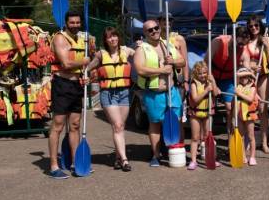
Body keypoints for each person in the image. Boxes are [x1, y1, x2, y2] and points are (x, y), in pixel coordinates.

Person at [133, 19, 185, 167]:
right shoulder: (141, 49)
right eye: (150, 30)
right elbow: (140, 69)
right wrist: (162, 70)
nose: (154, 31)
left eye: (156, 28)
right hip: (154, 93)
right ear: (145, 33)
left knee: (177, 121)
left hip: (172, 91)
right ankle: (156, 155)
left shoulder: (167, 44)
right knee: (155, 124)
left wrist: (173, 61)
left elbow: (182, 62)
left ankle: (176, 151)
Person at [47, 10, 90, 179]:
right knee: (58, 125)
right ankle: (53, 166)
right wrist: (84, 61)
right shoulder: (59, 38)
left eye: (77, 22)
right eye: (72, 22)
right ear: (66, 23)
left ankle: (74, 162)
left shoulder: (81, 39)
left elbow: (84, 66)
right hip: (62, 85)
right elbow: (65, 63)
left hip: (76, 85)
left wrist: (86, 76)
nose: (75, 25)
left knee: (75, 125)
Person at [87, 27, 135, 172]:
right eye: (109, 37)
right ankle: (125, 160)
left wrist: (141, 45)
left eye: (115, 36)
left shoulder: (126, 51)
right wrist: (85, 75)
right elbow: (87, 67)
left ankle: (117, 158)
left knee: (119, 127)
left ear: (118, 37)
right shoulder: (101, 54)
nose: (113, 39)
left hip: (124, 92)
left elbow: (141, 55)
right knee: (118, 125)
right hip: (108, 93)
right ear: (106, 40)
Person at [205, 25, 250, 134]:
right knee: (208, 108)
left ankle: (231, 137)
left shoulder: (243, 50)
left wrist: (248, 86)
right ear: (233, 37)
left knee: (230, 109)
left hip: (228, 79)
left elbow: (246, 70)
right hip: (211, 75)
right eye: (239, 44)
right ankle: (206, 136)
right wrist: (214, 85)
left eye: (244, 44)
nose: (241, 46)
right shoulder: (218, 42)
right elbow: (206, 63)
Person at [245, 15, 269, 153]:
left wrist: (267, 45)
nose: (254, 28)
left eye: (256, 25)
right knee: (247, 109)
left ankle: (264, 142)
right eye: (251, 26)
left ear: (260, 26)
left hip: (263, 77)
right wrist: (251, 67)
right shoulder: (247, 41)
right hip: (248, 78)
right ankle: (248, 141)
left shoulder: (268, 39)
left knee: (263, 110)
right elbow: (242, 60)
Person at [159, 13, 189, 140]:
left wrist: (186, 81)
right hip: (161, 83)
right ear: (159, 22)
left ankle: (179, 144)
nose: (167, 22)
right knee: (161, 116)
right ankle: (163, 145)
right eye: (164, 19)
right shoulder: (154, 38)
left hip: (178, 83)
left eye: (170, 20)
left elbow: (185, 62)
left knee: (178, 116)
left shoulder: (179, 39)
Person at [187, 61, 221, 170]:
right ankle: (193, 161)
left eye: (204, 73)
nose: (203, 75)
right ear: (196, 74)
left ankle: (211, 159)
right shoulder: (193, 84)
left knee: (208, 137)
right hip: (195, 113)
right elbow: (195, 99)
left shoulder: (209, 81)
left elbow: (216, 94)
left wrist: (213, 82)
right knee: (195, 137)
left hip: (207, 113)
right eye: (200, 73)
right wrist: (206, 90)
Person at [234, 67, 259, 166]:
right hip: (240, 115)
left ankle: (252, 157)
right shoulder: (238, 86)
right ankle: (243, 155)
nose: (243, 79)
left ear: (249, 77)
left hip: (249, 115)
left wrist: (239, 93)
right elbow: (236, 75)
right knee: (241, 136)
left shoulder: (252, 87)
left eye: (246, 77)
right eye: (242, 77)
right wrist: (242, 74)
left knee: (251, 136)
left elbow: (250, 99)